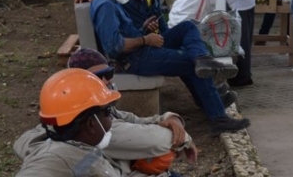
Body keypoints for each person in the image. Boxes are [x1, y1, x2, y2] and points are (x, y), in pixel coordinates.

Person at [86, 0, 249, 134]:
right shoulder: (106, 6)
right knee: (189, 61)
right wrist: (144, 39)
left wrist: (144, 29)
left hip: (141, 49)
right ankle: (218, 117)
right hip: (135, 59)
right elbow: (114, 47)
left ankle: (203, 60)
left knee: (187, 27)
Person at [14, 49, 195, 177]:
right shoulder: (58, 156)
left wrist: (168, 117)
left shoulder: (82, 142)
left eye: (107, 74)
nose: (104, 82)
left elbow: (131, 120)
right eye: (107, 112)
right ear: (91, 123)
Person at [14, 68, 122, 176]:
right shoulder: (54, 160)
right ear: (90, 123)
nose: (112, 117)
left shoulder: (81, 151)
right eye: (107, 112)